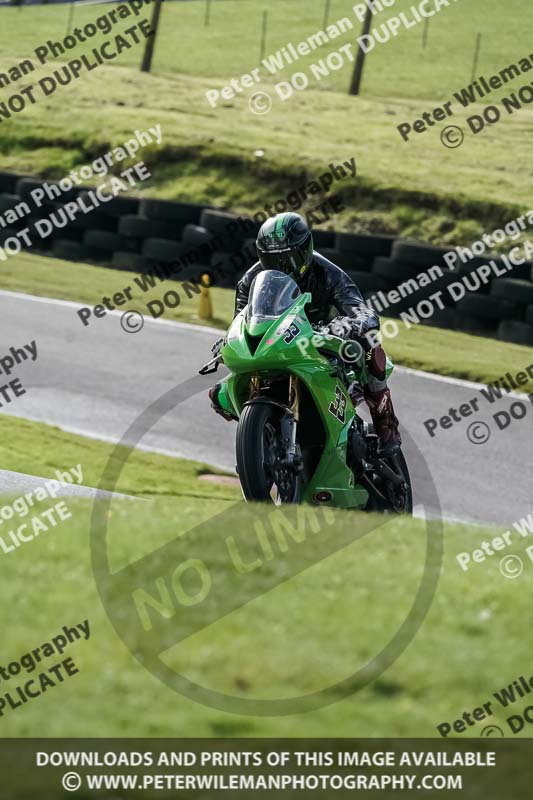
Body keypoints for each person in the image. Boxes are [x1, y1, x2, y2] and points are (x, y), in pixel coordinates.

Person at [209, 212, 401, 455]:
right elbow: (240, 320)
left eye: (288, 258)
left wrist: (356, 323)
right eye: (271, 259)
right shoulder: (250, 280)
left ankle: (386, 424)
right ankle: (263, 437)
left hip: (325, 341)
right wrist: (226, 341)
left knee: (370, 351)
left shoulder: (328, 273)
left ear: (304, 250)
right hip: (278, 344)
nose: (280, 267)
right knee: (220, 395)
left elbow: (361, 311)